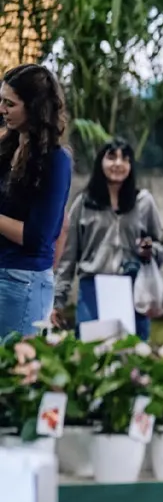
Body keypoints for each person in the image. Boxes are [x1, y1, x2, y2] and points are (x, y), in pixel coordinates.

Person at [53, 138, 163, 340]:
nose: (118, 164)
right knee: (91, 358)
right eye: (111, 157)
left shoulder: (144, 202)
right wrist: (58, 301)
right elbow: (68, 258)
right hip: (92, 291)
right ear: (101, 162)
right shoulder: (84, 203)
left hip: (133, 290)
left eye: (125, 159)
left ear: (131, 166)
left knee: (133, 361)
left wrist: (150, 250)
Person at [0, 64, 72, 337]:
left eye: (10, 103)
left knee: (16, 374)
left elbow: (37, 237)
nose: (2, 109)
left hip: (23, 282)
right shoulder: (7, 149)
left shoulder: (56, 160)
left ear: (34, 107)